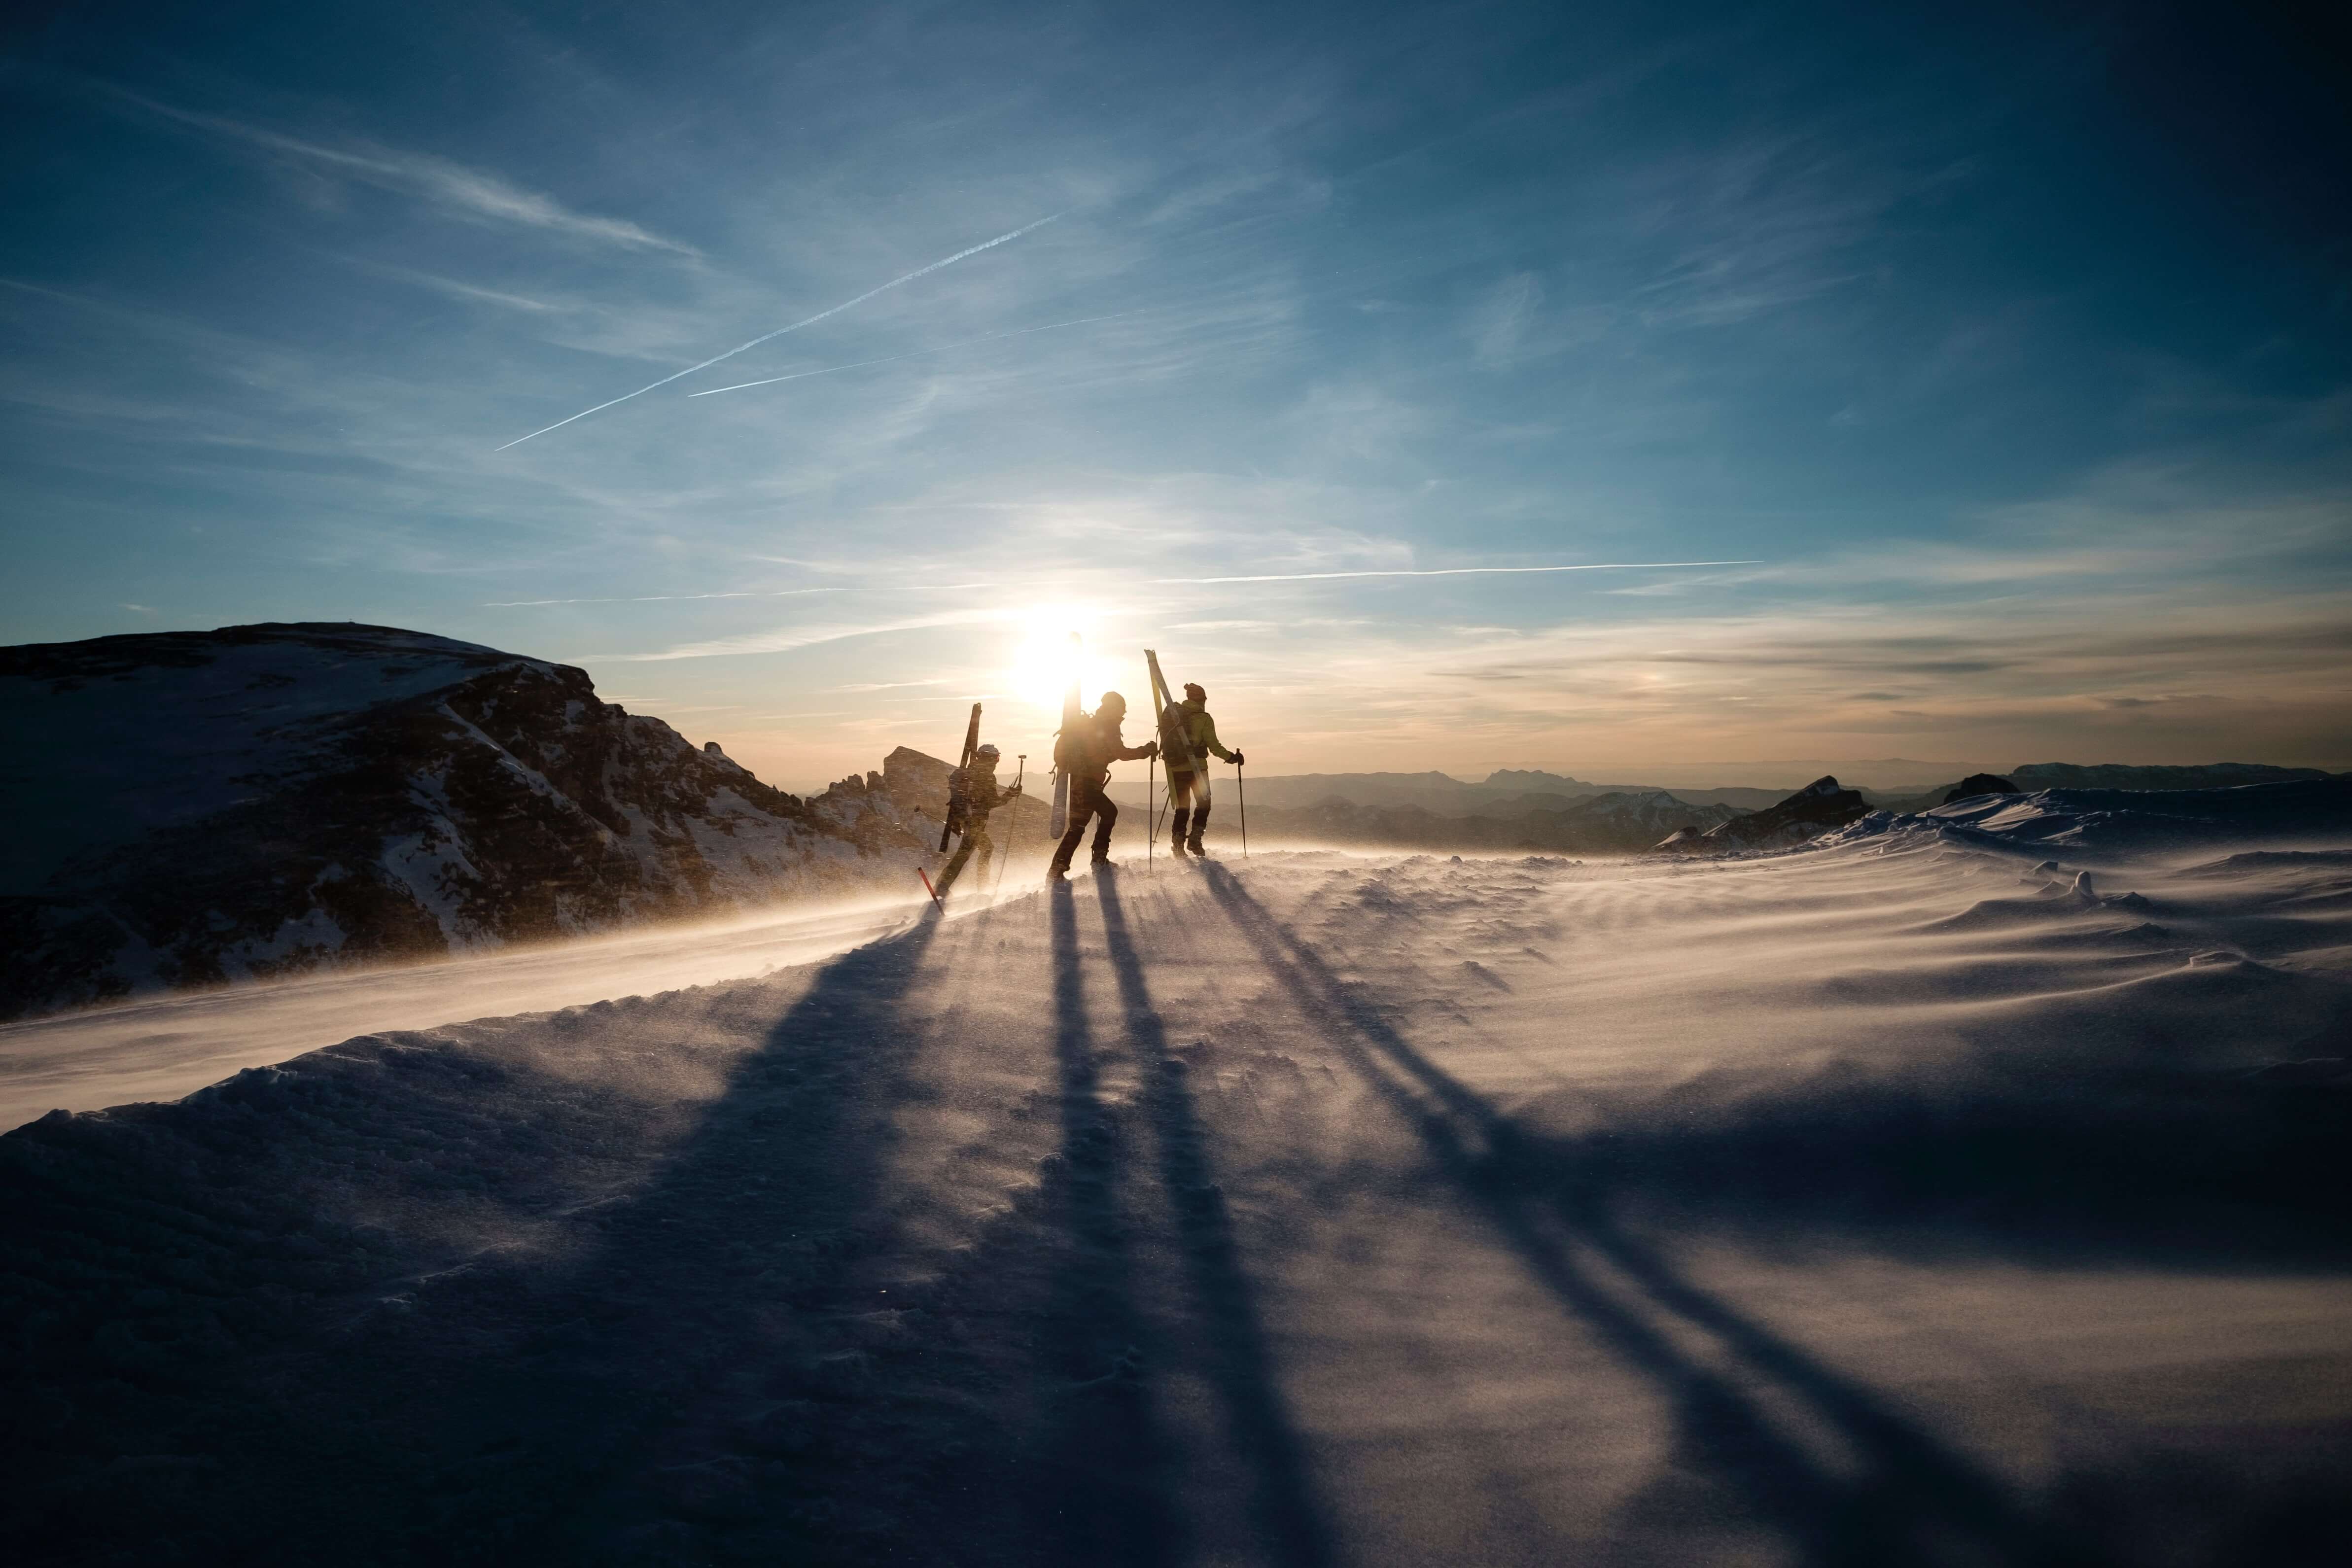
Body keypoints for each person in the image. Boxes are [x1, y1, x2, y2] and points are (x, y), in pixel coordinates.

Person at [1045, 692, 1157, 880]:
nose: (1124, 713)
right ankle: (1093, 860)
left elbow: (1103, 752)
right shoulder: (1108, 725)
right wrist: (1145, 751)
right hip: (1088, 782)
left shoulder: (1092, 724)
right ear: (1115, 708)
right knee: (1102, 816)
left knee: (1080, 826)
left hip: (1079, 781)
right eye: (1122, 709)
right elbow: (1120, 753)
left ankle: (1061, 869)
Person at [1161, 681, 1244, 857]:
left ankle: (1178, 845)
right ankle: (1195, 841)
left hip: (1176, 768)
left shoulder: (1175, 717)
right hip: (1198, 769)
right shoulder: (1204, 718)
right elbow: (1214, 747)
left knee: (1183, 808)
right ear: (1202, 700)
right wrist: (1231, 758)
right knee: (1204, 804)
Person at [934, 743, 1020, 897]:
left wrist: (957, 820)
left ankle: (980, 884)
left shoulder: (968, 773)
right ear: (991, 759)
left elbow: (959, 799)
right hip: (975, 821)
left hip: (966, 819)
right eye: (996, 759)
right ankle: (944, 885)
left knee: (986, 848)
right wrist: (1010, 794)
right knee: (964, 854)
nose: (996, 763)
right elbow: (992, 802)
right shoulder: (986, 776)